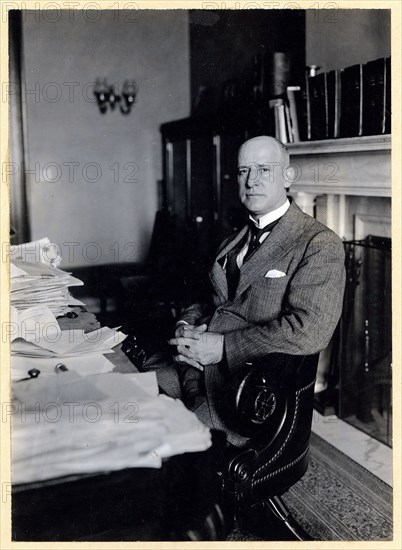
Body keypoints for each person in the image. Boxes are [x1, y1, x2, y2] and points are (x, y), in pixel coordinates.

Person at [142, 136, 346, 446]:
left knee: (149, 445)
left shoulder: (318, 243)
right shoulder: (231, 242)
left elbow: (311, 330)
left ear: (287, 177)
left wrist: (222, 348)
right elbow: (205, 302)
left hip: (239, 394)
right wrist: (184, 325)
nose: (251, 181)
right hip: (191, 369)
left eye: (264, 169)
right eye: (243, 171)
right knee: (120, 397)